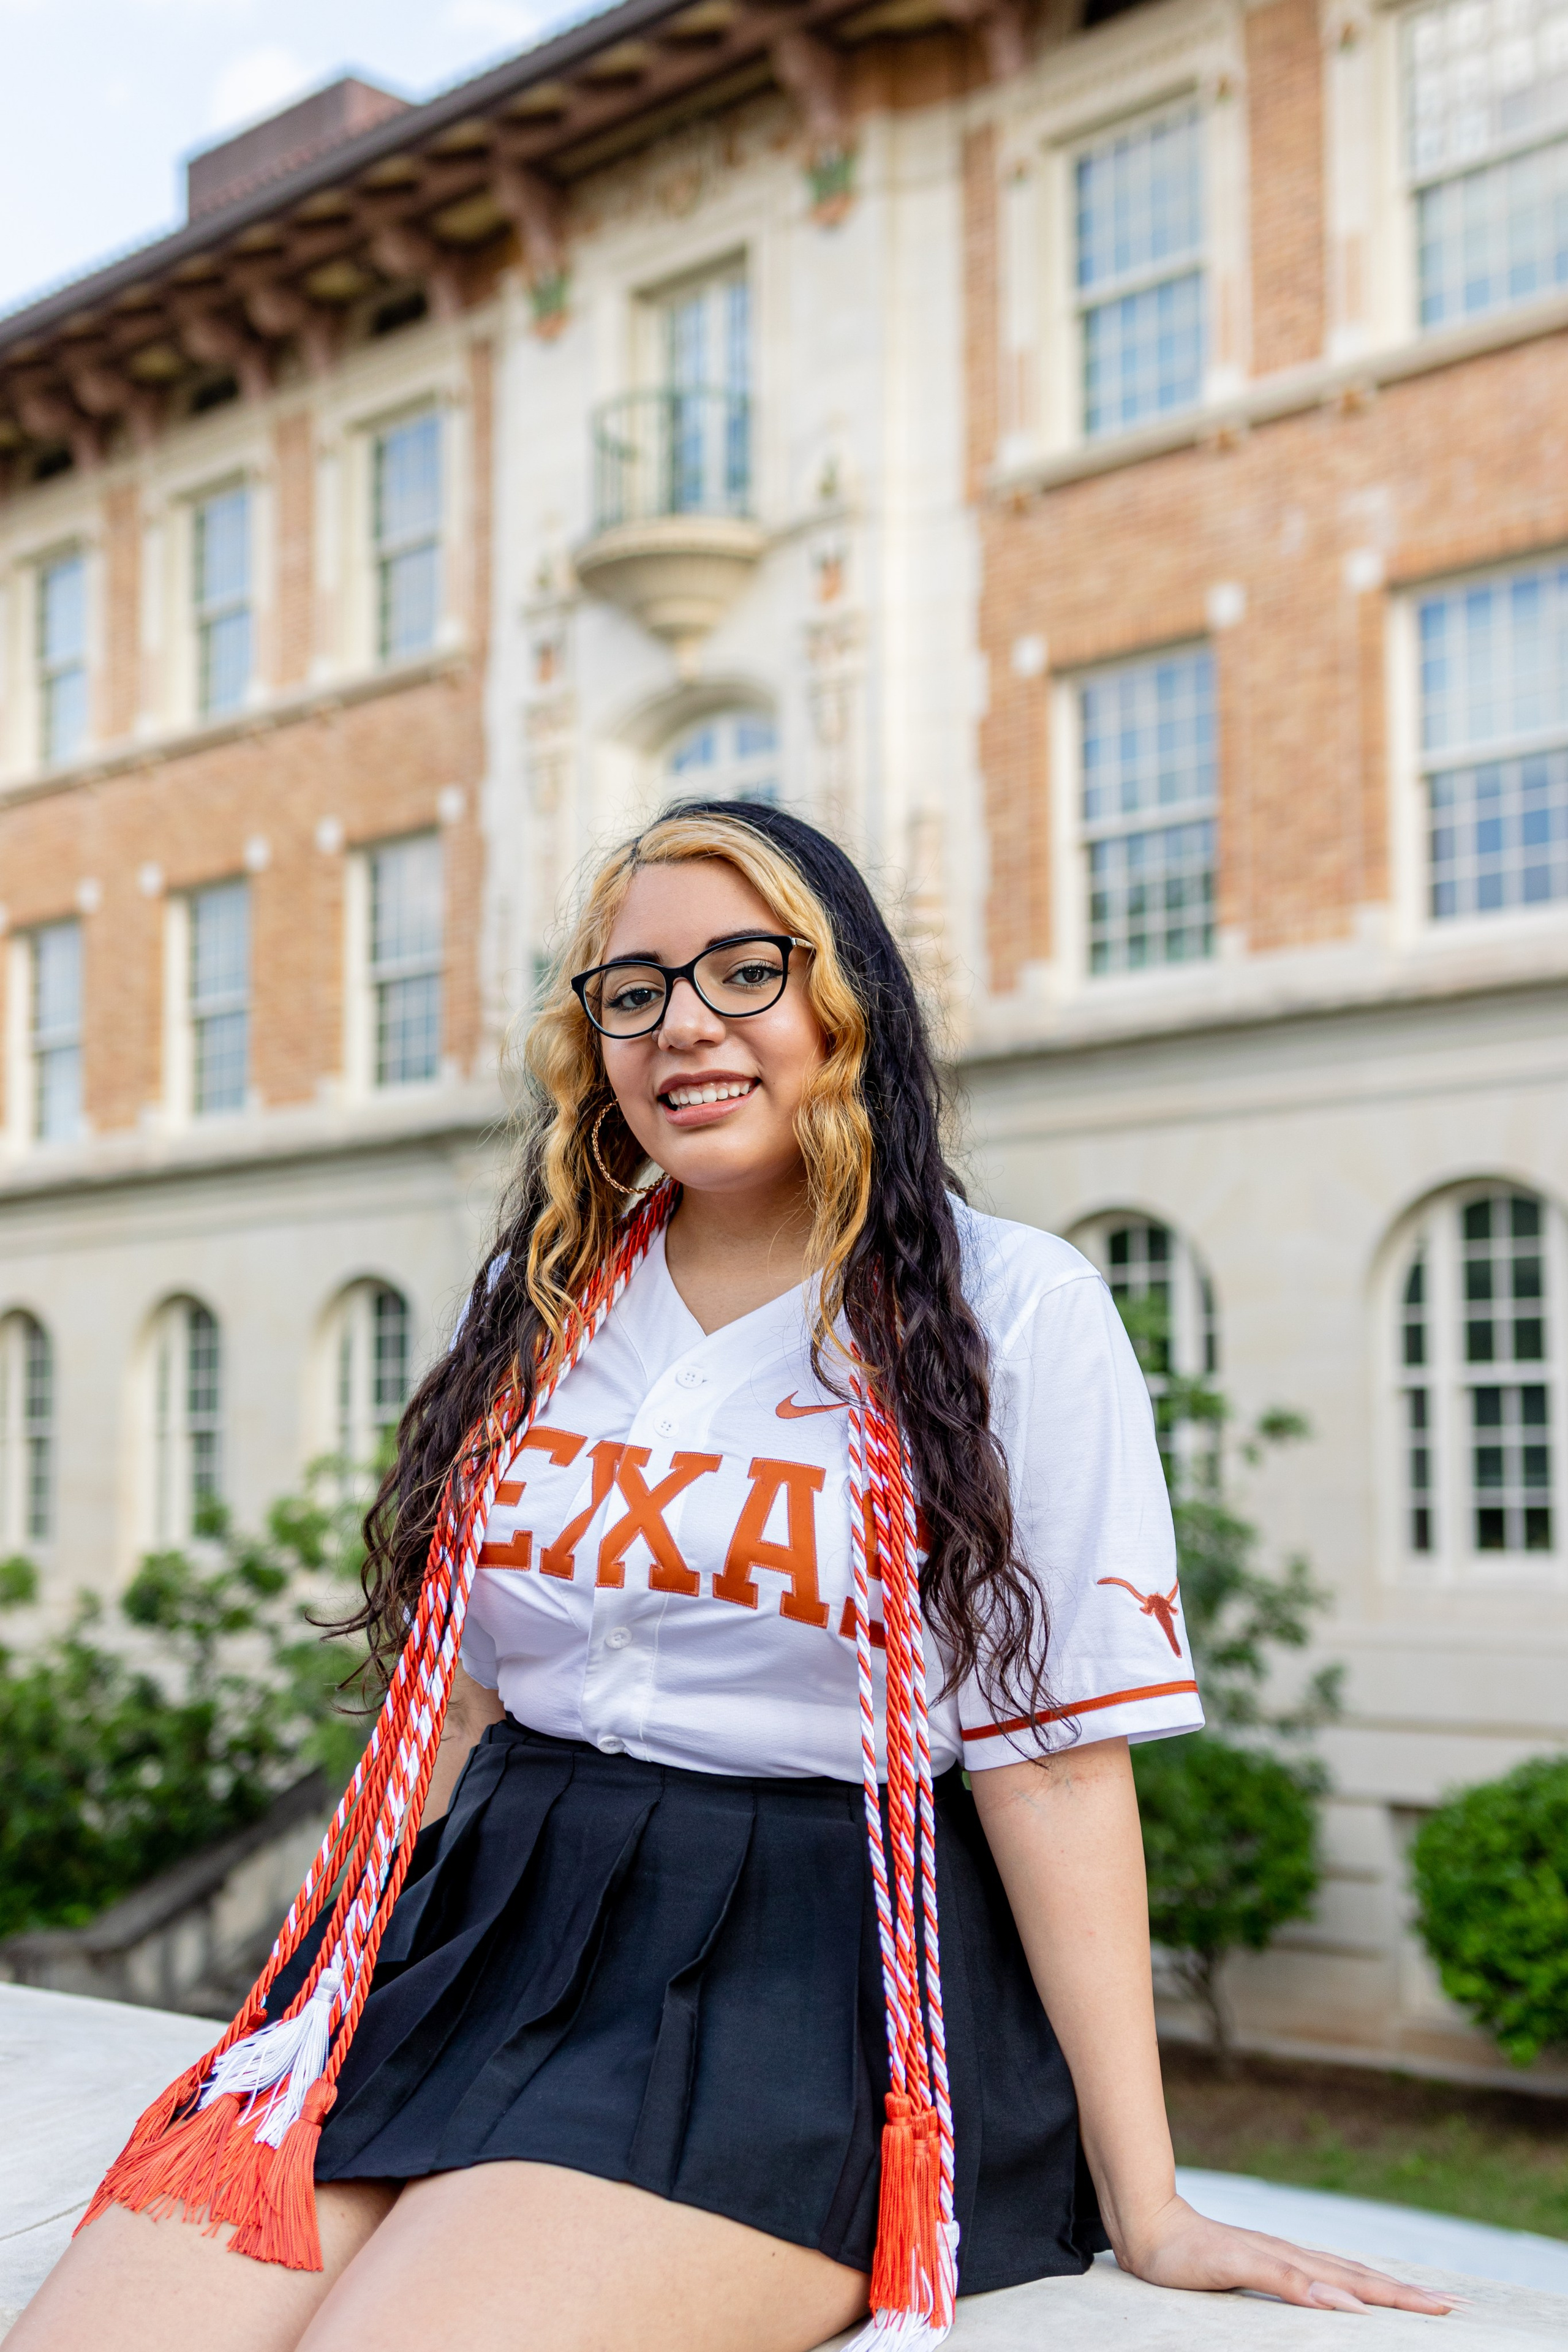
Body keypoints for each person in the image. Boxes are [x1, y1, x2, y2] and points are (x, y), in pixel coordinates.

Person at [17, 804, 1455, 2352]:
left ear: (846, 1002)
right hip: (490, 1909)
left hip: (797, 1965)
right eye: (630, 991)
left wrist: (1150, 2199)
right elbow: (461, 1697)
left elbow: (1050, 1771)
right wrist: (324, 1981)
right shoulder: (541, 1293)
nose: (680, 1025)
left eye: (741, 971)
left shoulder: (1009, 1309)